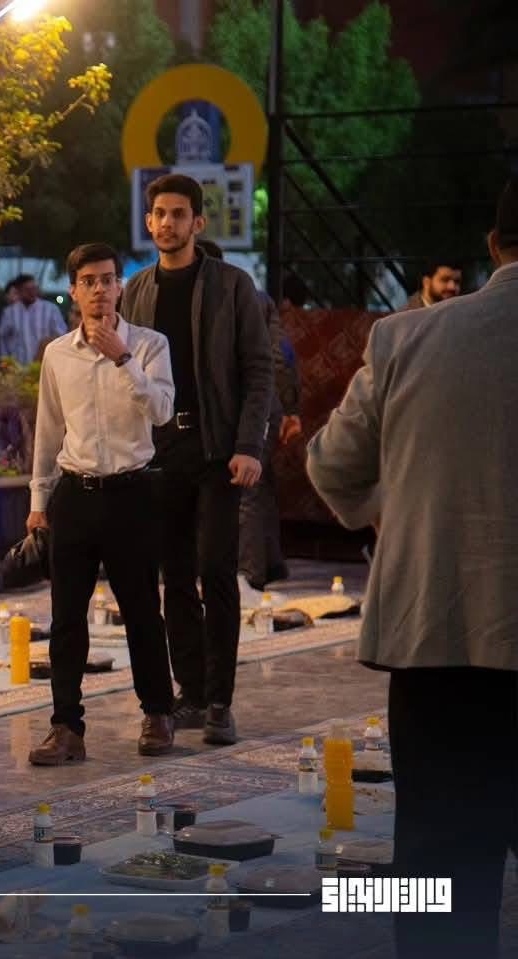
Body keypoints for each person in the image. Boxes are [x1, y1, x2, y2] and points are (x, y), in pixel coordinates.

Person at [306, 177, 518, 959]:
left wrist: (395, 510)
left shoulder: (404, 338)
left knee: (437, 871)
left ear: (492, 247)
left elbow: (331, 465)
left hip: (436, 644)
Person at [121, 174, 271, 746]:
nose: (167, 223)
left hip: (217, 450)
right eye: (159, 214)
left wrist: (249, 446)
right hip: (160, 452)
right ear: (149, 221)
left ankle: (221, 702)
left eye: (178, 214)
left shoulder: (232, 286)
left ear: (198, 222)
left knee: (216, 569)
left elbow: (258, 369)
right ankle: (191, 693)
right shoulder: (136, 291)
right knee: (175, 577)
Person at [25, 243, 177, 764]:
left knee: (141, 611)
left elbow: (162, 411)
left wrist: (122, 358)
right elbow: (48, 430)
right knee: (67, 617)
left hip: (132, 492)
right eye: (88, 281)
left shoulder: (150, 345)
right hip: (75, 492)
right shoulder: (57, 354)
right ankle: (66, 726)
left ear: (120, 287)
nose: (99, 290)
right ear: (73, 291)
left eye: (108, 280)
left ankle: (158, 713)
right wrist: (38, 500)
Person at [195, 240, 301, 589]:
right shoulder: (257, 297)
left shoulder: (230, 299)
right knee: (261, 486)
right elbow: (284, 353)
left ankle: (249, 576)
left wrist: (285, 408)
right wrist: (289, 408)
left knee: (246, 490)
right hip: (265, 406)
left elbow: (276, 357)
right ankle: (270, 563)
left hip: (250, 408)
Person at [0, 273, 67, 363]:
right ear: (19, 291)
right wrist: (5, 361)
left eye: (34, 288)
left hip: (44, 366)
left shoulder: (50, 309)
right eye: (27, 289)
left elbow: (62, 335)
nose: (32, 292)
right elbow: (3, 339)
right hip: (17, 368)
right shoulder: (9, 312)